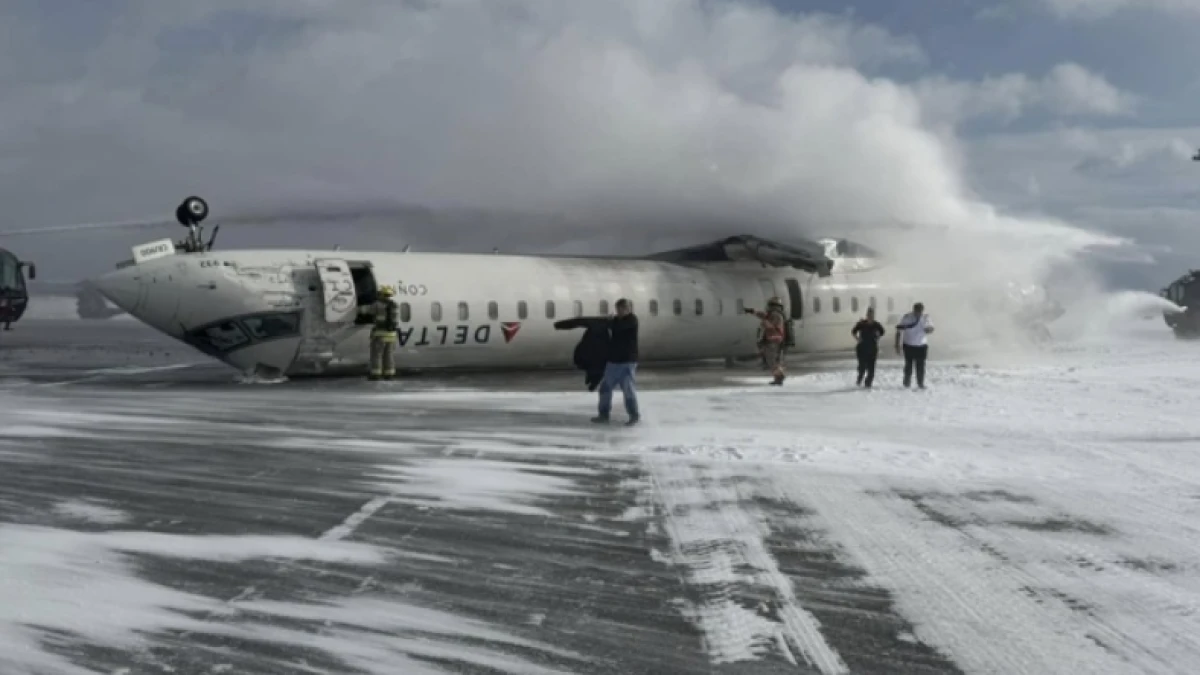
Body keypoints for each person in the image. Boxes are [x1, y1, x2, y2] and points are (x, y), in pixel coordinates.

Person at [593, 298, 640, 425]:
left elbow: (618, 328)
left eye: (621, 309)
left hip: (627, 361)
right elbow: (612, 326)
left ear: (627, 309)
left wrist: (609, 322)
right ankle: (603, 414)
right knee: (605, 388)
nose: (618, 311)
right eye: (617, 309)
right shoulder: (616, 321)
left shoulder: (632, 320)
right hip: (613, 361)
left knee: (628, 389)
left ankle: (634, 415)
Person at [356, 285, 399, 381]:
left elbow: (366, 310)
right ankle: (389, 374)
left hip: (380, 335)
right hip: (391, 335)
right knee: (389, 355)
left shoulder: (378, 305)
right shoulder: (394, 305)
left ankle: (376, 374)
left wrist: (355, 308)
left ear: (382, 295)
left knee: (377, 355)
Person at [745, 297, 787, 385]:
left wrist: (764, 323)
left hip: (773, 340)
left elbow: (771, 326)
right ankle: (778, 376)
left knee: (772, 360)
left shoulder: (776, 315)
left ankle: (779, 376)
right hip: (774, 339)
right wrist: (753, 311)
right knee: (774, 360)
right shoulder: (773, 314)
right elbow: (763, 315)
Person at [894, 302, 934, 388]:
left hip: (921, 346)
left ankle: (920, 383)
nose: (918, 312)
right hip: (909, 345)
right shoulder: (907, 317)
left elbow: (931, 327)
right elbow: (899, 330)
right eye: (916, 310)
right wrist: (897, 344)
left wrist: (929, 329)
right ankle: (906, 383)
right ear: (913, 310)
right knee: (908, 365)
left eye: (920, 311)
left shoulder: (926, 317)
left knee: (920, 366)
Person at [851, 306, 885, 388]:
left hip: (872, 348)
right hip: (862, 348)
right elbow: (853, 331)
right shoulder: (862, 323)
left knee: (871, 369)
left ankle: (867, 385)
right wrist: (857, 338)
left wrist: (878, 337)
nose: (870, 316)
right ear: (867, 315)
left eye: (872, 314)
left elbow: (882, 332)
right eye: (869, 314)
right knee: (862, 367)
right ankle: (859, 381)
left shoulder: (876, 324)